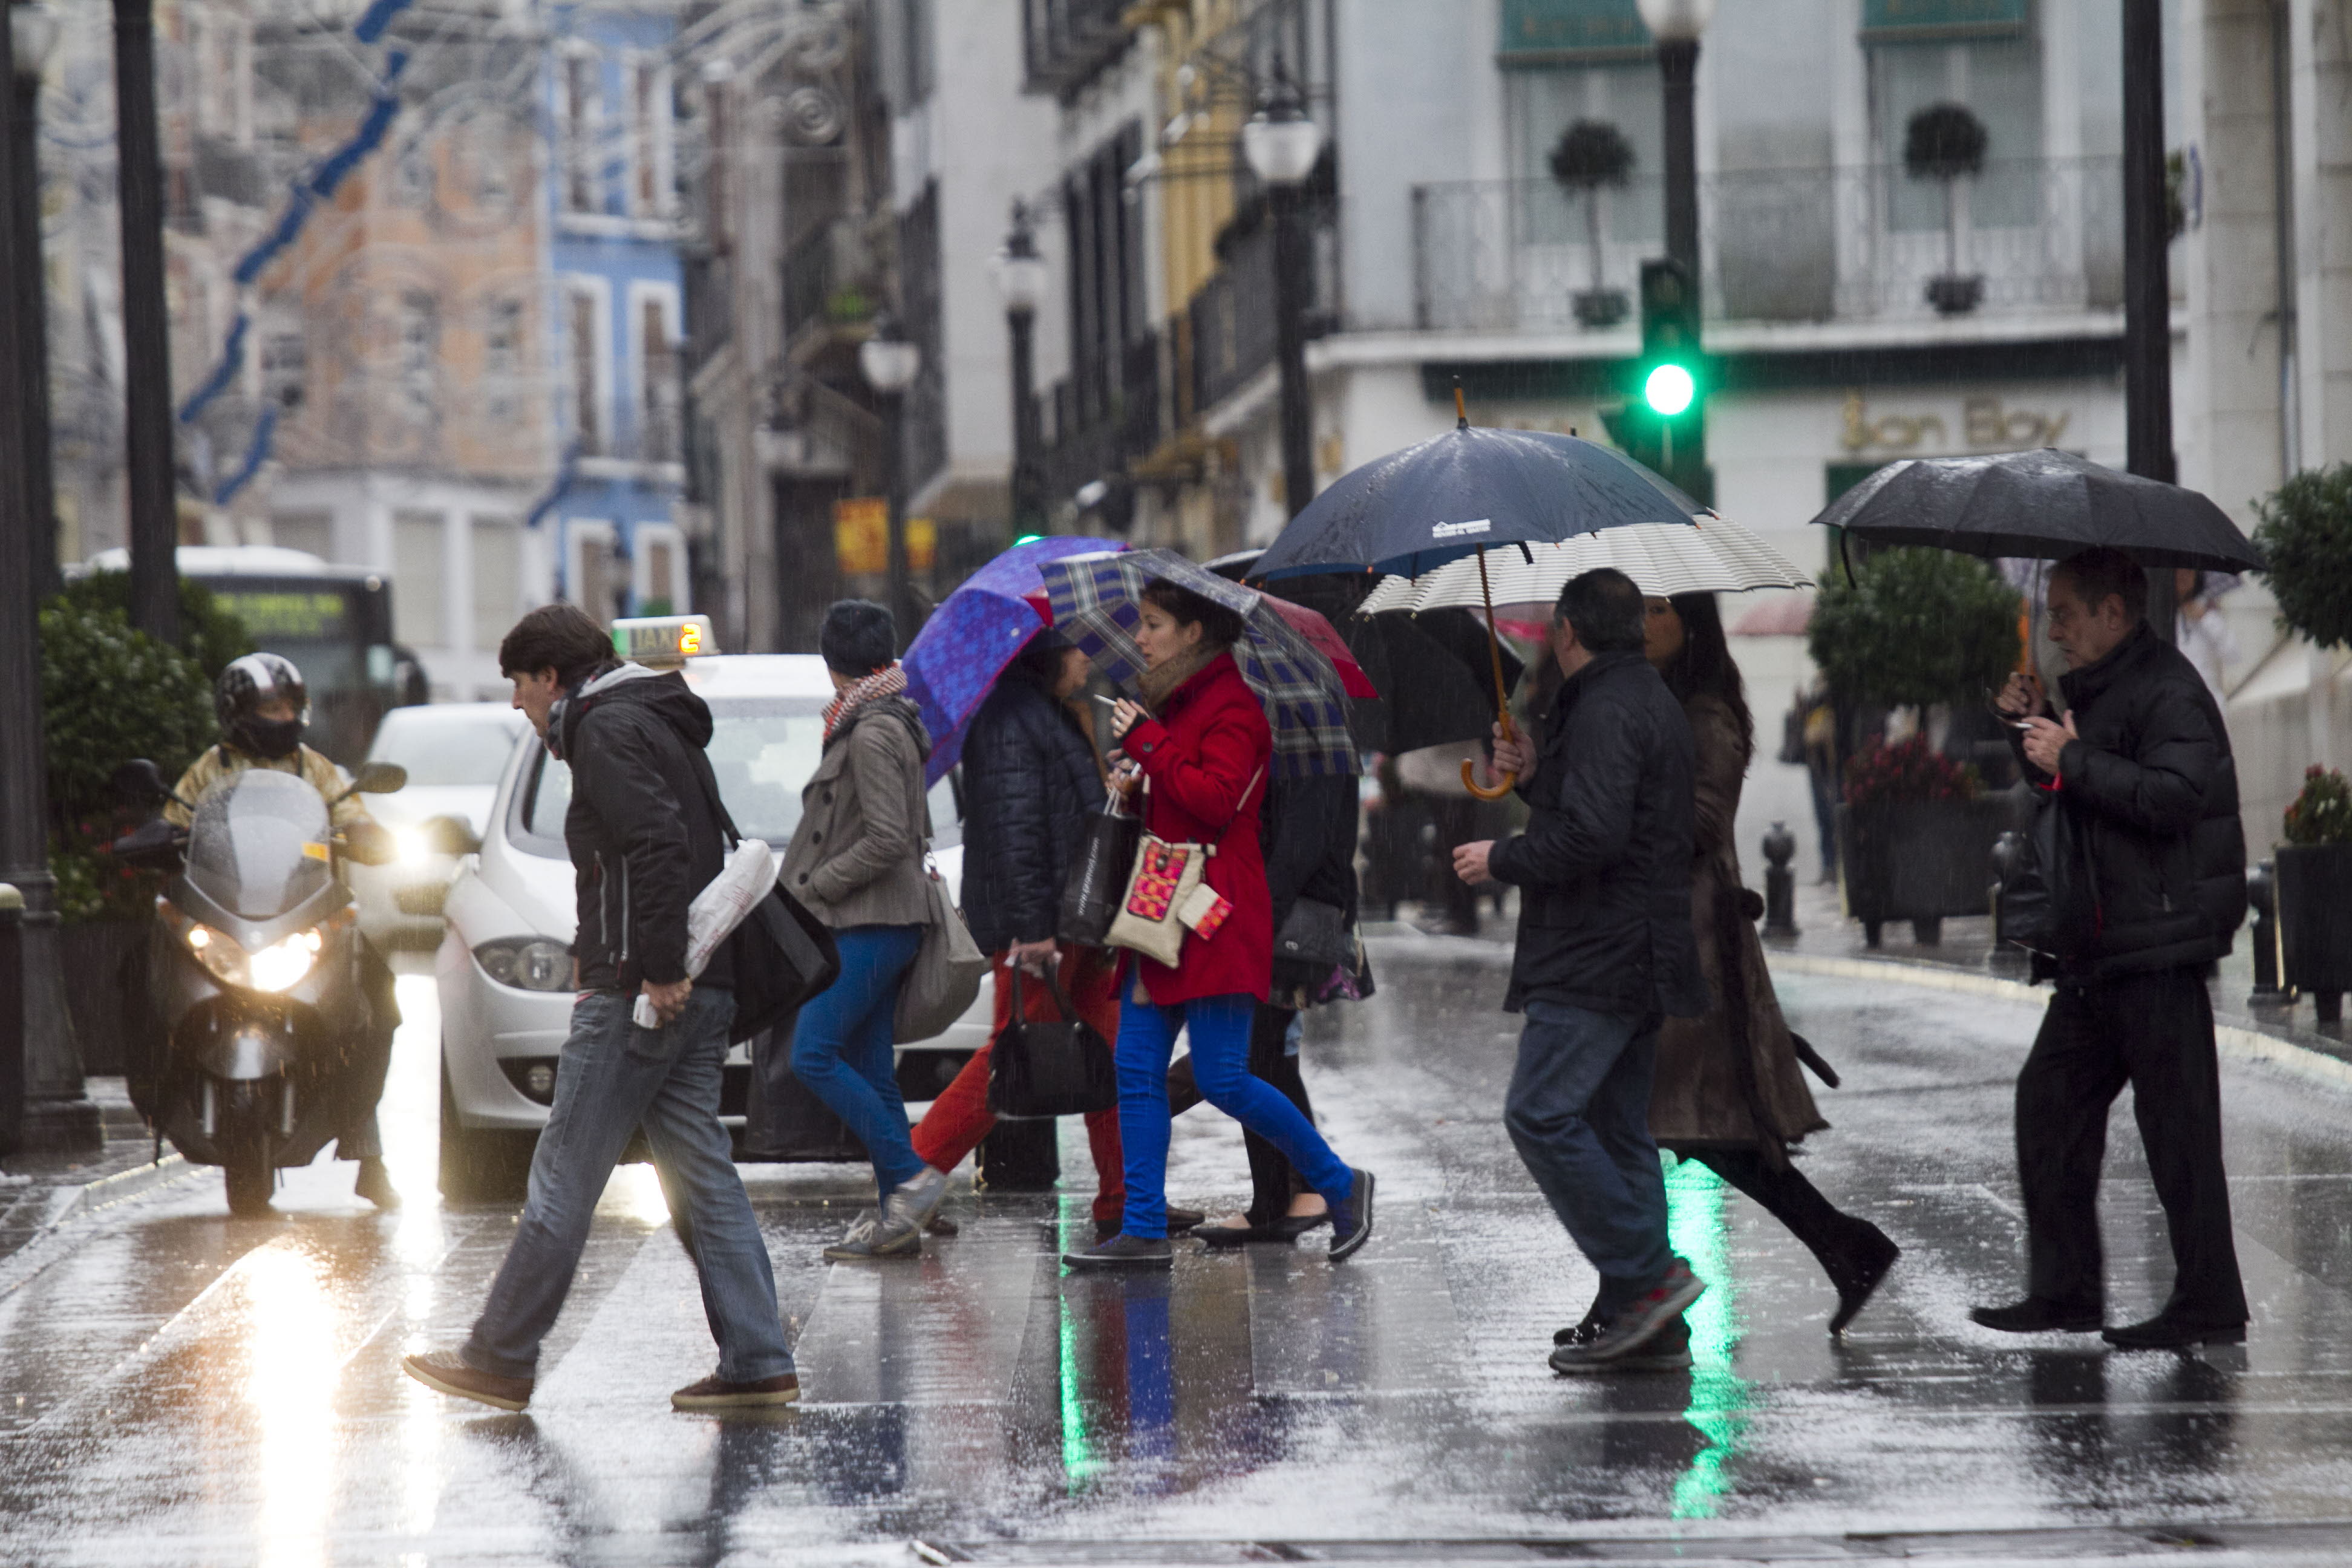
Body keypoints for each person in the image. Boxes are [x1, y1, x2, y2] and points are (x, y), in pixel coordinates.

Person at [403, 603, 798, 1413]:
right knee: (700, 1177)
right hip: (698, 979)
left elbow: (655, 842)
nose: (518, 704)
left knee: (563, 1176)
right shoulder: (655, 718)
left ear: (553, 675)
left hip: (638, 992)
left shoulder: (603, 728)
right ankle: (759, 1358)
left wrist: (655, 967)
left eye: (520, 684)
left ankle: (500, 1356)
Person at [1557, 594, 1897, 1348]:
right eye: (1636, 609)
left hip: (1693, 952)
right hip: (1653, 944)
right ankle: (1834, 1250)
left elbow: (1702, 823)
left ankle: (1642, 1296)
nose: (1643, 622)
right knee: (1668, 1128)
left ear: (1693, 623)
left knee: (1655, 1125)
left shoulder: (1706, 713)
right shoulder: (1649, 702)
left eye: (1659, 610)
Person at [1973, 547, 2250, 1350]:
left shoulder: (2167, 690)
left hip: (2157, 943)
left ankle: (2211, 1302)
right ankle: (2065, 1293)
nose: (2052, 628)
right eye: (2052, 610)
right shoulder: (2096, 692)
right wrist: (2031, 730)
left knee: (2180, 1136)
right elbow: (2073, 796)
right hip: (2100, 949)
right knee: (2049, 1106)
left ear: (2115, 614)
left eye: (2065, 612)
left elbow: (2175, 796)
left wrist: (2075, 755)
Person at [1061, 578, 1376, 1270]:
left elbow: (1214, 800)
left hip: (1214, 915)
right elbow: (1178, 794)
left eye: (1153, 624)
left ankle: (1337, 1183)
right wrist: (1137, 774)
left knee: (1224, 1077)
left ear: (1194, 633)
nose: (1140, 637)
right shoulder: (1176, 705)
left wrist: (1149, 744)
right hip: (1160, 906)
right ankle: (1142, 1226)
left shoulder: (1235, 707)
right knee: (1136, 1066)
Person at [1454, 568, 1711, 1374]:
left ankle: (1648, 1280)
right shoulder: (1637, 698)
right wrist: (1534, 772)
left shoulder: (1605, 706)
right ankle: (1647, 1321)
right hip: (1639, 947)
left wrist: (1504, 855)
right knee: (1615, 1130)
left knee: (1541, 1114)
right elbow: (1610, 808)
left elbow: (1595, 838)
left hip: (1599, 952)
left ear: (1569, 631)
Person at [907, 630, 1140, 1242]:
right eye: (1076, 650)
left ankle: (1126, 1201)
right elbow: (1017, 832)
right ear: (1047, 657)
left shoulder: (1051, 715)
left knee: (1106, 1060)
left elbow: (1062, 817)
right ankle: (908, 1177)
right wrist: (1034, 930)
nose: (1087, 660)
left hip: (1079, 921)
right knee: (1009, 1056)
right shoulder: (1015, 720)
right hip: (1047, 925)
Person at [167, 653, 400, 1211]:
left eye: (291, 705)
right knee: (139, 973)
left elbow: (350, 814)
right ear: (237, 712)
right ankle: (162, 1086)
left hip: (306, 917)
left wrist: (368, 834)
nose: (284, 715)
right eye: (271, 706)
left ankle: (368, 1157)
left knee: (372, 1004)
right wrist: (155, 836)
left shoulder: (314, 768)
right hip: (225, 920)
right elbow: (176, 820)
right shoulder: (209, 770)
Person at [780, 600, 952, 1261]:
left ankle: (910, 1182)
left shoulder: (873, 730)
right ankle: (898, 1217)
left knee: (812, 1054)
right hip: (879, 918)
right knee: (873, 1067)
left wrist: (818, 885)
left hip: (871, 919)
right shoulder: (879, 718)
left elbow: (886, 838)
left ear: (832, 666)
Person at [1177, 768, 1371, 1244]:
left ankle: (1319, 1186)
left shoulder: (1304, 726)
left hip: (1284, 916)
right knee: (1261, 1054)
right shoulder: (1291, 720)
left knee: (1261, 1055)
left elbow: (1305, 836)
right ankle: (1278, 1197)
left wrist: (1259, 911)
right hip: (1271, 907)